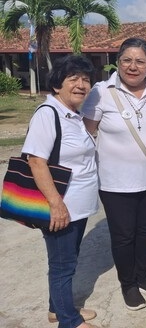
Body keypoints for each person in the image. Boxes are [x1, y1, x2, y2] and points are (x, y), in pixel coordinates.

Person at [82, 38, 146, 310]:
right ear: (118, 62)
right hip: (114, 183)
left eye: (140, 61)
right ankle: (129, 284)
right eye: (127, 60)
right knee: (124, 235)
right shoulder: (102, 91)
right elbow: (87, 131)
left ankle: (144, 276)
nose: (133, 67)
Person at [23, 55, 99, 328]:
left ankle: (57, 309)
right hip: (61, 206)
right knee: (62, 264)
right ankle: (69, 321)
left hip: (77, 205)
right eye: (73, 79)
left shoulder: (73, 114)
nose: (81, 85)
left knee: (68, 259)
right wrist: (56, 204)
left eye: (86, 79)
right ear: (57, 85)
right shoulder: (48, 114)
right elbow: (36, 161)